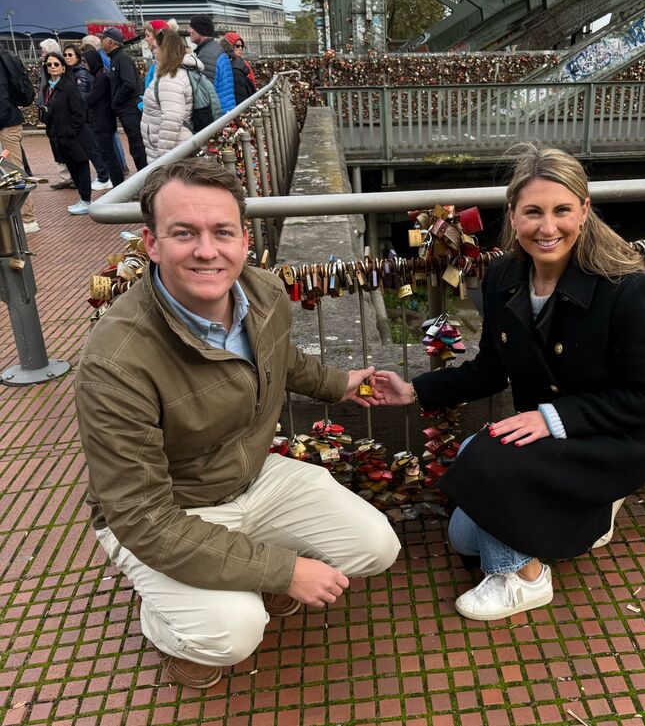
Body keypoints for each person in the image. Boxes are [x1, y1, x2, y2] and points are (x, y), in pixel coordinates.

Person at [74, 158, 400, 689]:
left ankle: (242, 572)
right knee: (233, 632)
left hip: (252, 477)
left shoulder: (264, 292)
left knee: (376, 545)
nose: (207, 250)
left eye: (221, 232)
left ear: (243, 239)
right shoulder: (115, 362)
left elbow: (281, 359)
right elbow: (139, 516)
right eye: (184, 233)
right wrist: (285, 571)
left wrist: (341, 383)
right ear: (151, 244)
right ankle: (170, 627)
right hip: (170, 510)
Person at [373, 144, 645, 622]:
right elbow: (492, 369)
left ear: (584, 211)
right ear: (512, 215)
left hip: (617, 436)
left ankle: (524, 577)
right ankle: (590, 509)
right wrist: (416, 390)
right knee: (462, 536)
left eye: (562, 210)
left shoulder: (627, 287)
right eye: (533, 211)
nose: (547, 227)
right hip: (550, 433)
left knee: (490, 458)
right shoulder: (503, 276)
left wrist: (552, 418)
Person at [39, 52, 94, 215]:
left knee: (81, 167)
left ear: (63, 68)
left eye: (56, 64)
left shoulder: (69, 87)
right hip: (59, 136)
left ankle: (86, 199)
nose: (53, 67)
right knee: (72, 167)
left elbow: (79, 112)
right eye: (49, 65)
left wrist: (70, 131)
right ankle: (82, 199)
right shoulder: (48, 88)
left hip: (74, 137)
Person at [140, 29, 204, 163]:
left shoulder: (170, 78)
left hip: (172, 149)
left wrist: (162, 161)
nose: (153, 51)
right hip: (177, 145)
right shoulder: (178, 71)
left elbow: (171, 120)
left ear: (166, 49)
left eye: (155, 47)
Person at [0, 45, 38, 233]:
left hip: (5, 123)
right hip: (10, 121)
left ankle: (26, 218)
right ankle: (18, 217)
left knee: (13, 170)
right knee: (13, 168)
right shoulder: (8, 55)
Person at [64, 43, 112, 190]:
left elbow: (84, 97)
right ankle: (103, 176)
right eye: (65, 55)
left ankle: (104, 176)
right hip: (82, 117)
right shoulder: (72, 72)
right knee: (89, 148)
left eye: (70, 55)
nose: (67, 58)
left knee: (93, 148)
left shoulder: (81, 73)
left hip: (85, 117)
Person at [100, 27, 147, 172]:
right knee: (136, 147)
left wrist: (116, 102)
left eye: (103, 38)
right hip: (126, 110)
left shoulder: (121, 58)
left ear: (111, 42)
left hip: (130, 111)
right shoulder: (116, 58)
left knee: (138, 147)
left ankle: (145, 179)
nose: (101, 41)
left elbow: (129, 83)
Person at [82, 34, 129, 176]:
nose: (84, 65)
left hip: (103, 122)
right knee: (108, 156)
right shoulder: (98, 77)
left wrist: (80, 95)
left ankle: (117, 183)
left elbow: (90, 99)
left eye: (86, 62)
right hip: (102, 121)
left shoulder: (101, 78)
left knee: (109, 157)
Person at [188, 14, 235, 114]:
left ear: (200, 30)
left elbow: (206, 94)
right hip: (227, 110)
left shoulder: (206, 55)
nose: (189, 31)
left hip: (218, 115)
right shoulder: (215, 49)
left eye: (191, 27)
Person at [221, 32, 256, 105]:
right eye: (237, 46)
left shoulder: (242, 63)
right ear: (230, 47)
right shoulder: (234, 67)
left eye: (241, 46)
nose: (240, 48)